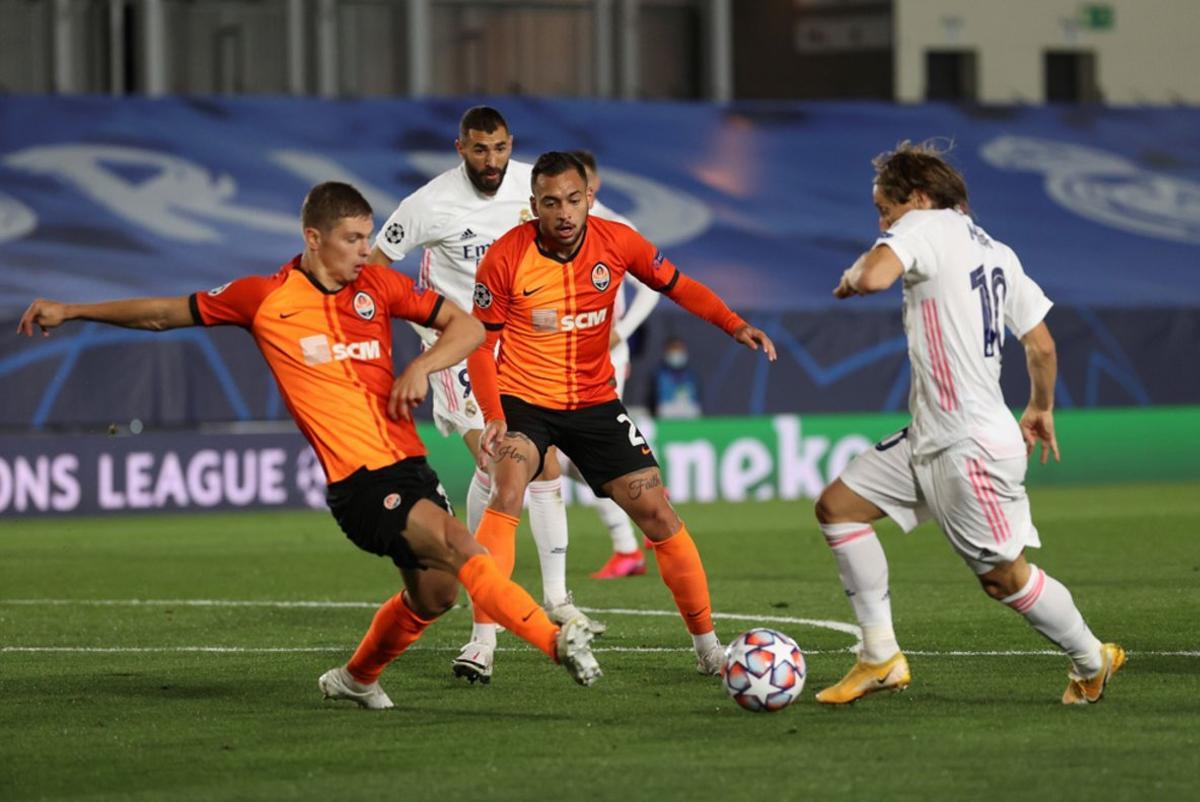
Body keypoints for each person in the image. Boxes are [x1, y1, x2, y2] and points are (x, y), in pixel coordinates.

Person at [16, 181, 603, 705]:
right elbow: (164, 314)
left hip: (411, 471)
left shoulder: (378, 284)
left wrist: (423, 365)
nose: (365, 250)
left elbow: (469, 325)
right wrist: (72, 309)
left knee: (434, 597)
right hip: (358, 484)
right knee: (460, 543)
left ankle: (355, 678)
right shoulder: (264, 298)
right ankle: (556, 642)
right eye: (352, 238)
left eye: (368, 237)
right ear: (313, 238)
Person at [815, 141, 1123, 705]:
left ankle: (1090, 656)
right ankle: (880, 657)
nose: (883, 223)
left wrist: (853, 275)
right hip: (933, 434)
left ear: (921, 198)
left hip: (967, 444)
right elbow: (1043, 346)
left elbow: (877, 276)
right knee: (839, 508)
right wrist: (1042, 406)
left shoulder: (923, 227)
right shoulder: (998, 251)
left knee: (1003, 578)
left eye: (885, 210)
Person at [468, 151, 776, 676]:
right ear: (533, 206)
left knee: (659, 514)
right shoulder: (504, 257)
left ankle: (708, 650)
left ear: (589, 196)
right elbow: (480, 345)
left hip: (594, 402)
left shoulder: (619, 241)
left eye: (572, 199)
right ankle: (482, 643)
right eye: (550, 203)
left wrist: (732, 323)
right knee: (508, 489)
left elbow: (677, 285)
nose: (564, 213)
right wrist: (494, 412)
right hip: (526, 400)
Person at [369, 107, 615, 684]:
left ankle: (556, 601)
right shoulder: (429, 204)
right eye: (479, 150)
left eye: (500, 148)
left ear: (512, 145)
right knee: (501, 456)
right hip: (459, 345)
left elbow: (587, 236)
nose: (491, 161)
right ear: (460, 147)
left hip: (520, 344)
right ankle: (483, 637)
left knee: (546, 463)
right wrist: (416, 328)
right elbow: (377, 267)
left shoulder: (538, 189)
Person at [565, 149, 660, 580]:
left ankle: (631, 540)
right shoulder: (554, 230)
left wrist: (621, 331)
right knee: (566, 458)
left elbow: (653, 288)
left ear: (594, 185)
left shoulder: (619, 228)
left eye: (576, 188)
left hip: (603, 356)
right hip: (557, 356)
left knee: (582, 453)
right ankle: (643, 504)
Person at [649, 336, 702, 419]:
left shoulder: (691, 376)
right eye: (674, 348)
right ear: (666, 351)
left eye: (680, 348)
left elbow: (697, 402)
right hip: (666, 415)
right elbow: (653, 403)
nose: (677, 352)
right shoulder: (658, 375)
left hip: (689, 416)